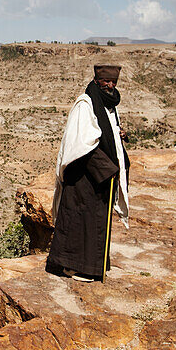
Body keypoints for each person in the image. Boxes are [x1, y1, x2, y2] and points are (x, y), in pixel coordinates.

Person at [45, 64, 129, 283]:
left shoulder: (109, 104)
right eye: (106, 81)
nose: (110, 85)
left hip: (99, 176)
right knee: (79, 219)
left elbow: (103, 132)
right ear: (96, 80)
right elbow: (81, 143)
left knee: (95, 221)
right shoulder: (86, 104)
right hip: (84, 174)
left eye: (113, 82)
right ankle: (73, 266)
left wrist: (117, 134)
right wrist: (107, 169)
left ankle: (89, 266)